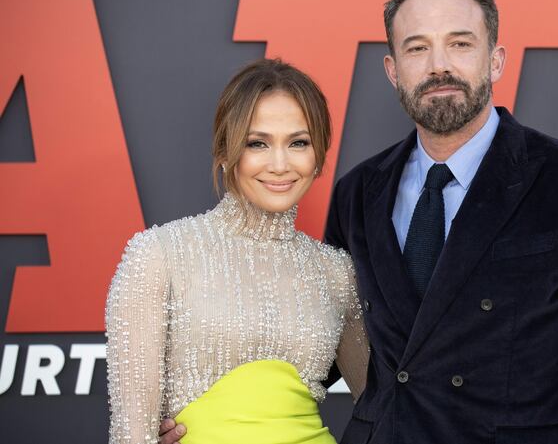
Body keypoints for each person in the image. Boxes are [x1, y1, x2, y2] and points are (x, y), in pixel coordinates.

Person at [161, 0, 558, 444]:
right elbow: (321, 345)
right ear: (393, 70)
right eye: (417, 48)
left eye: (460, 44)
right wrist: (199, 412)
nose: (439, 65)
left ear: (496, 60)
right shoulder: (360, 192)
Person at [105, 58, 369, 444]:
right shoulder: (159, 256)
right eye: (257, 143)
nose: (279, 164)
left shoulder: (335, 272)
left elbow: (383, 407)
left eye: (298, 143)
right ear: (226, 151)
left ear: (319, 156)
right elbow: (130, 435)